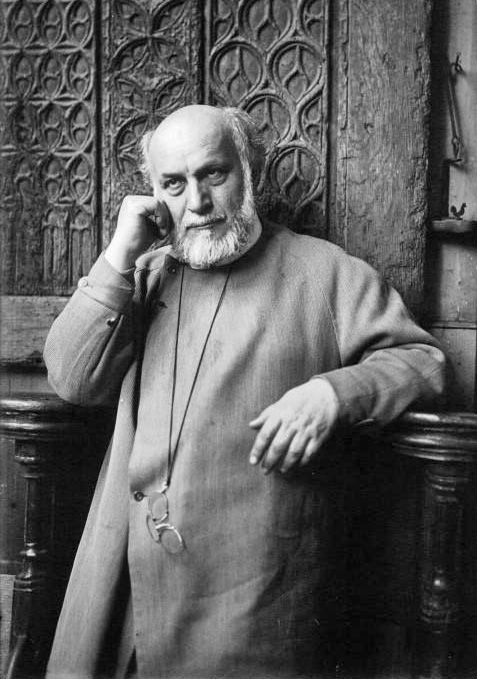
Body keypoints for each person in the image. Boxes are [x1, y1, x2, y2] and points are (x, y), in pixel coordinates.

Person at [44, 105, 445, 679]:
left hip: (252, 597)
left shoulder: (325, 271)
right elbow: (72, 380)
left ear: (249, 169)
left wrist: (335, 394)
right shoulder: (145, 274)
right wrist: (119, 255)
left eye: (214, 174)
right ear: (154, 194)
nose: (198, 203)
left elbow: (424, 362)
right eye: (173, 185)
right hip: (129, 587)